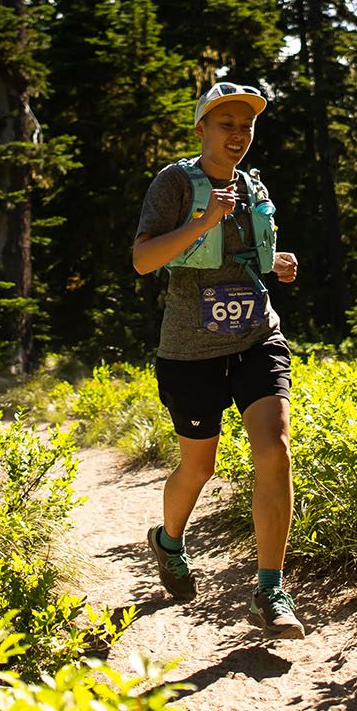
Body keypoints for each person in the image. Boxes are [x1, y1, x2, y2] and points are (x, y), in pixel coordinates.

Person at [131, 80, 305, 639]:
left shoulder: (253, 187)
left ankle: (269, 591)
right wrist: (204, 222)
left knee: (273, 448)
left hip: (256, 334)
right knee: (199, 467)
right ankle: (169, 540)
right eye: (226, 124)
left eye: (246, 125)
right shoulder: (175, 184)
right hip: (190, 350)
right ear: (202, 128)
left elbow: (247, 255)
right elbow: (142, 260)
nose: (238, 135)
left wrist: (275, 263)